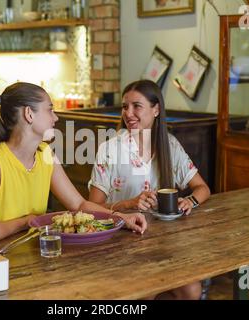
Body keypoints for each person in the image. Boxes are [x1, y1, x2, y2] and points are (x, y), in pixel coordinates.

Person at [0, 82, 147, 247]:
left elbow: (79, 205)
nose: (56, 117)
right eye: (50, 110)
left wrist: (120, 218)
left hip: (31, 251)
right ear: (29, 114)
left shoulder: (45, 153)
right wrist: (26, 221)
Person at [88, 79, 211, 300]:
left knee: (192, 291)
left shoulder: (170, 145)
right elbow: (93, 208)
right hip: (123, 241)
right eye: (125, 107)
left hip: (164, 242)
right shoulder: (110, 149)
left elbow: (202, 188)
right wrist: (129, 204)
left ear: (156, 110)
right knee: (146, 292)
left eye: (137, 106)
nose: (129, 113)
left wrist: (189, 201)